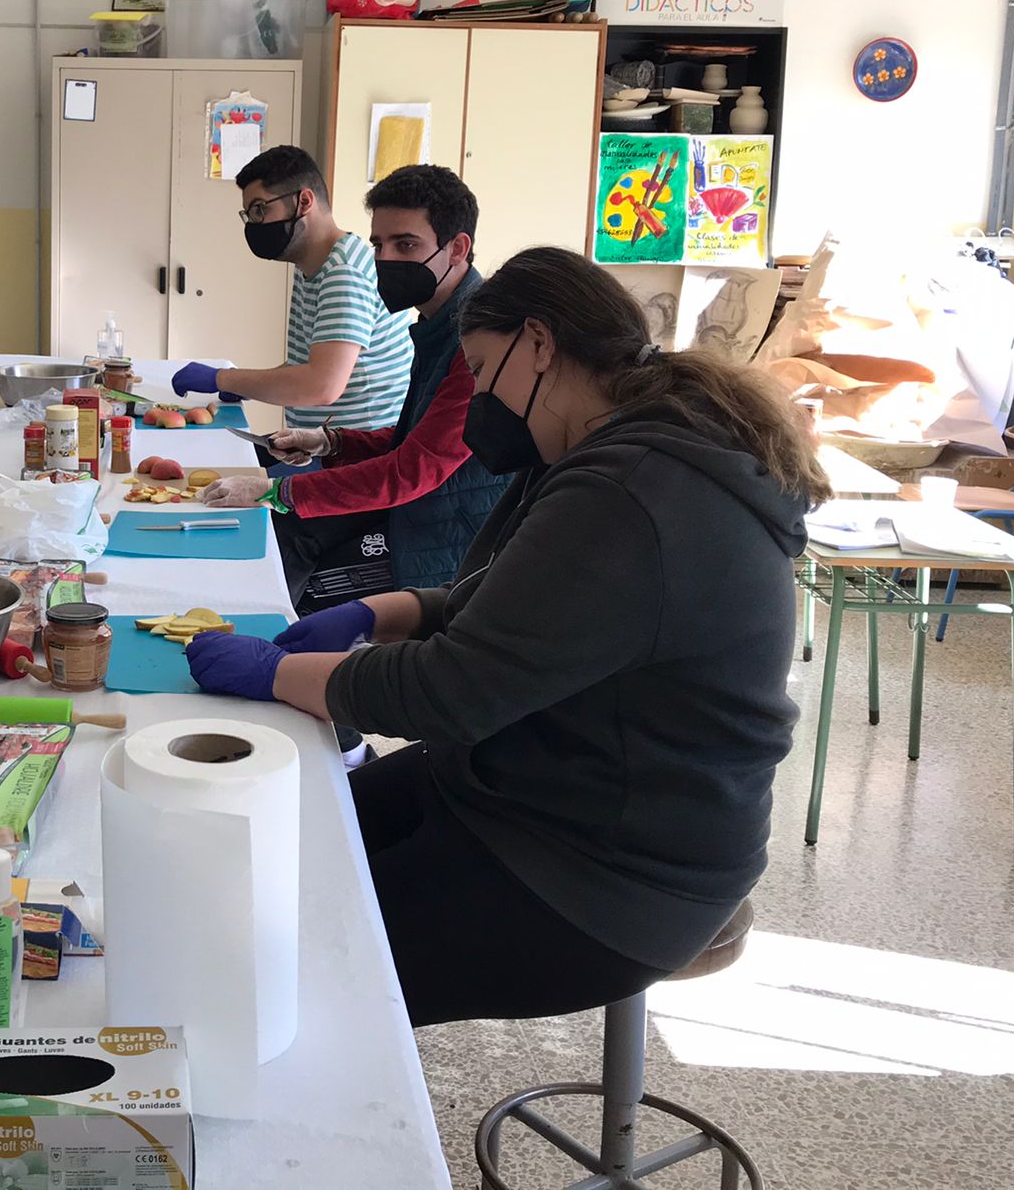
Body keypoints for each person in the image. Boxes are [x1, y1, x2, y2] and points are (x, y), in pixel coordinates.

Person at [185, 247, 827, 1026]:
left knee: (284, 969)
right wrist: (383, 612)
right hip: (525, 787)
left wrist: (275, 674)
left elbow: (449, 693)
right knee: (285, 847)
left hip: (606, 874)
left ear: (539, 344)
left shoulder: (631, 490)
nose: (480, 397)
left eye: (484, 371)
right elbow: (514, 607)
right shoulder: (606, 447)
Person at [199, 165, 511, 605]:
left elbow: (412, 469)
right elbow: (413, 438)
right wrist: (331, 442)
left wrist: (277, 491)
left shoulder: (478, 338)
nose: (386, 259)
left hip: (445, 539)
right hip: (420, 512)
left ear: (457, 248)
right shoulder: (438, 323)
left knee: (288, 553)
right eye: (378, 245)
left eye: (406, 245)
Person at [170, 145, 412, 435]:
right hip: (321, 442)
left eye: (260, 209)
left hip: (358, 452)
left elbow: (322, 385)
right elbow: (306, 365)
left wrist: (222, 379)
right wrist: (240, 383)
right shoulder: (313, 266)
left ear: (304, 201)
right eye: (249, 214)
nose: (254, 224)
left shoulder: (344, 272)